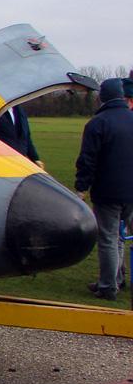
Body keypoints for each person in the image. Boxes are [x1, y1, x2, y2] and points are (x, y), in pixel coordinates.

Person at [75, 78, 133, 301]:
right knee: (119, 237)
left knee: (107, 237)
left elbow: (87, 160)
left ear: (102, 97)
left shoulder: (98, 123)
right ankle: (116, 278)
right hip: (131, 191)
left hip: (108, 191)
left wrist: (81, 187)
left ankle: (108, 286)